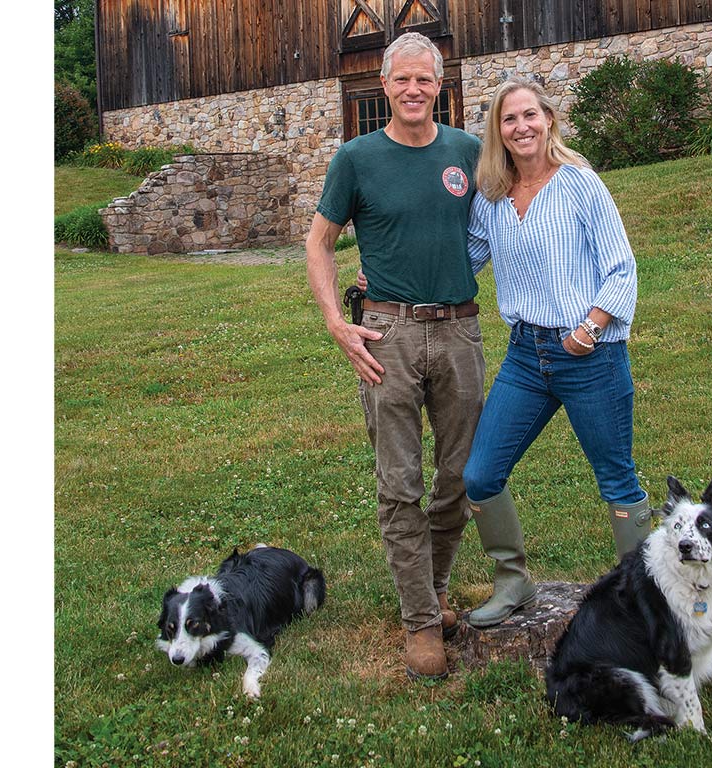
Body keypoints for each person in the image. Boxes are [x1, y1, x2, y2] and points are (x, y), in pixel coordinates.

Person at [305, 32, 485, 681]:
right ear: (384, 86)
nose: (414, 90)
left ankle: (432, 590)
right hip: (390, 337)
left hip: (461, 333)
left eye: (425, 80)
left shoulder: (467, 152)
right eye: (402, 79)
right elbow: (319, 244)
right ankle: (419, 622)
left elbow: (514, 214)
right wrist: (337, 323)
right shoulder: (356, 158)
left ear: (441, 86)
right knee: (399, 483)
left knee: (460, 478)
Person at [461, 76, 650, 628]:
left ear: (548, 120)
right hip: (526, 356)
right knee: (480, 474)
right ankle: (513, 583)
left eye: (529, 116)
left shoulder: (580, 184)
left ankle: (644, 599)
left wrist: (590, 326)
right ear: (498, 131)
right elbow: (464, 260)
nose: (521, 128)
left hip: (588, 354)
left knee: (616, 478)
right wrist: (391, 277)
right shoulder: (492, 197)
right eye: (508, 119)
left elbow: (621, 267)